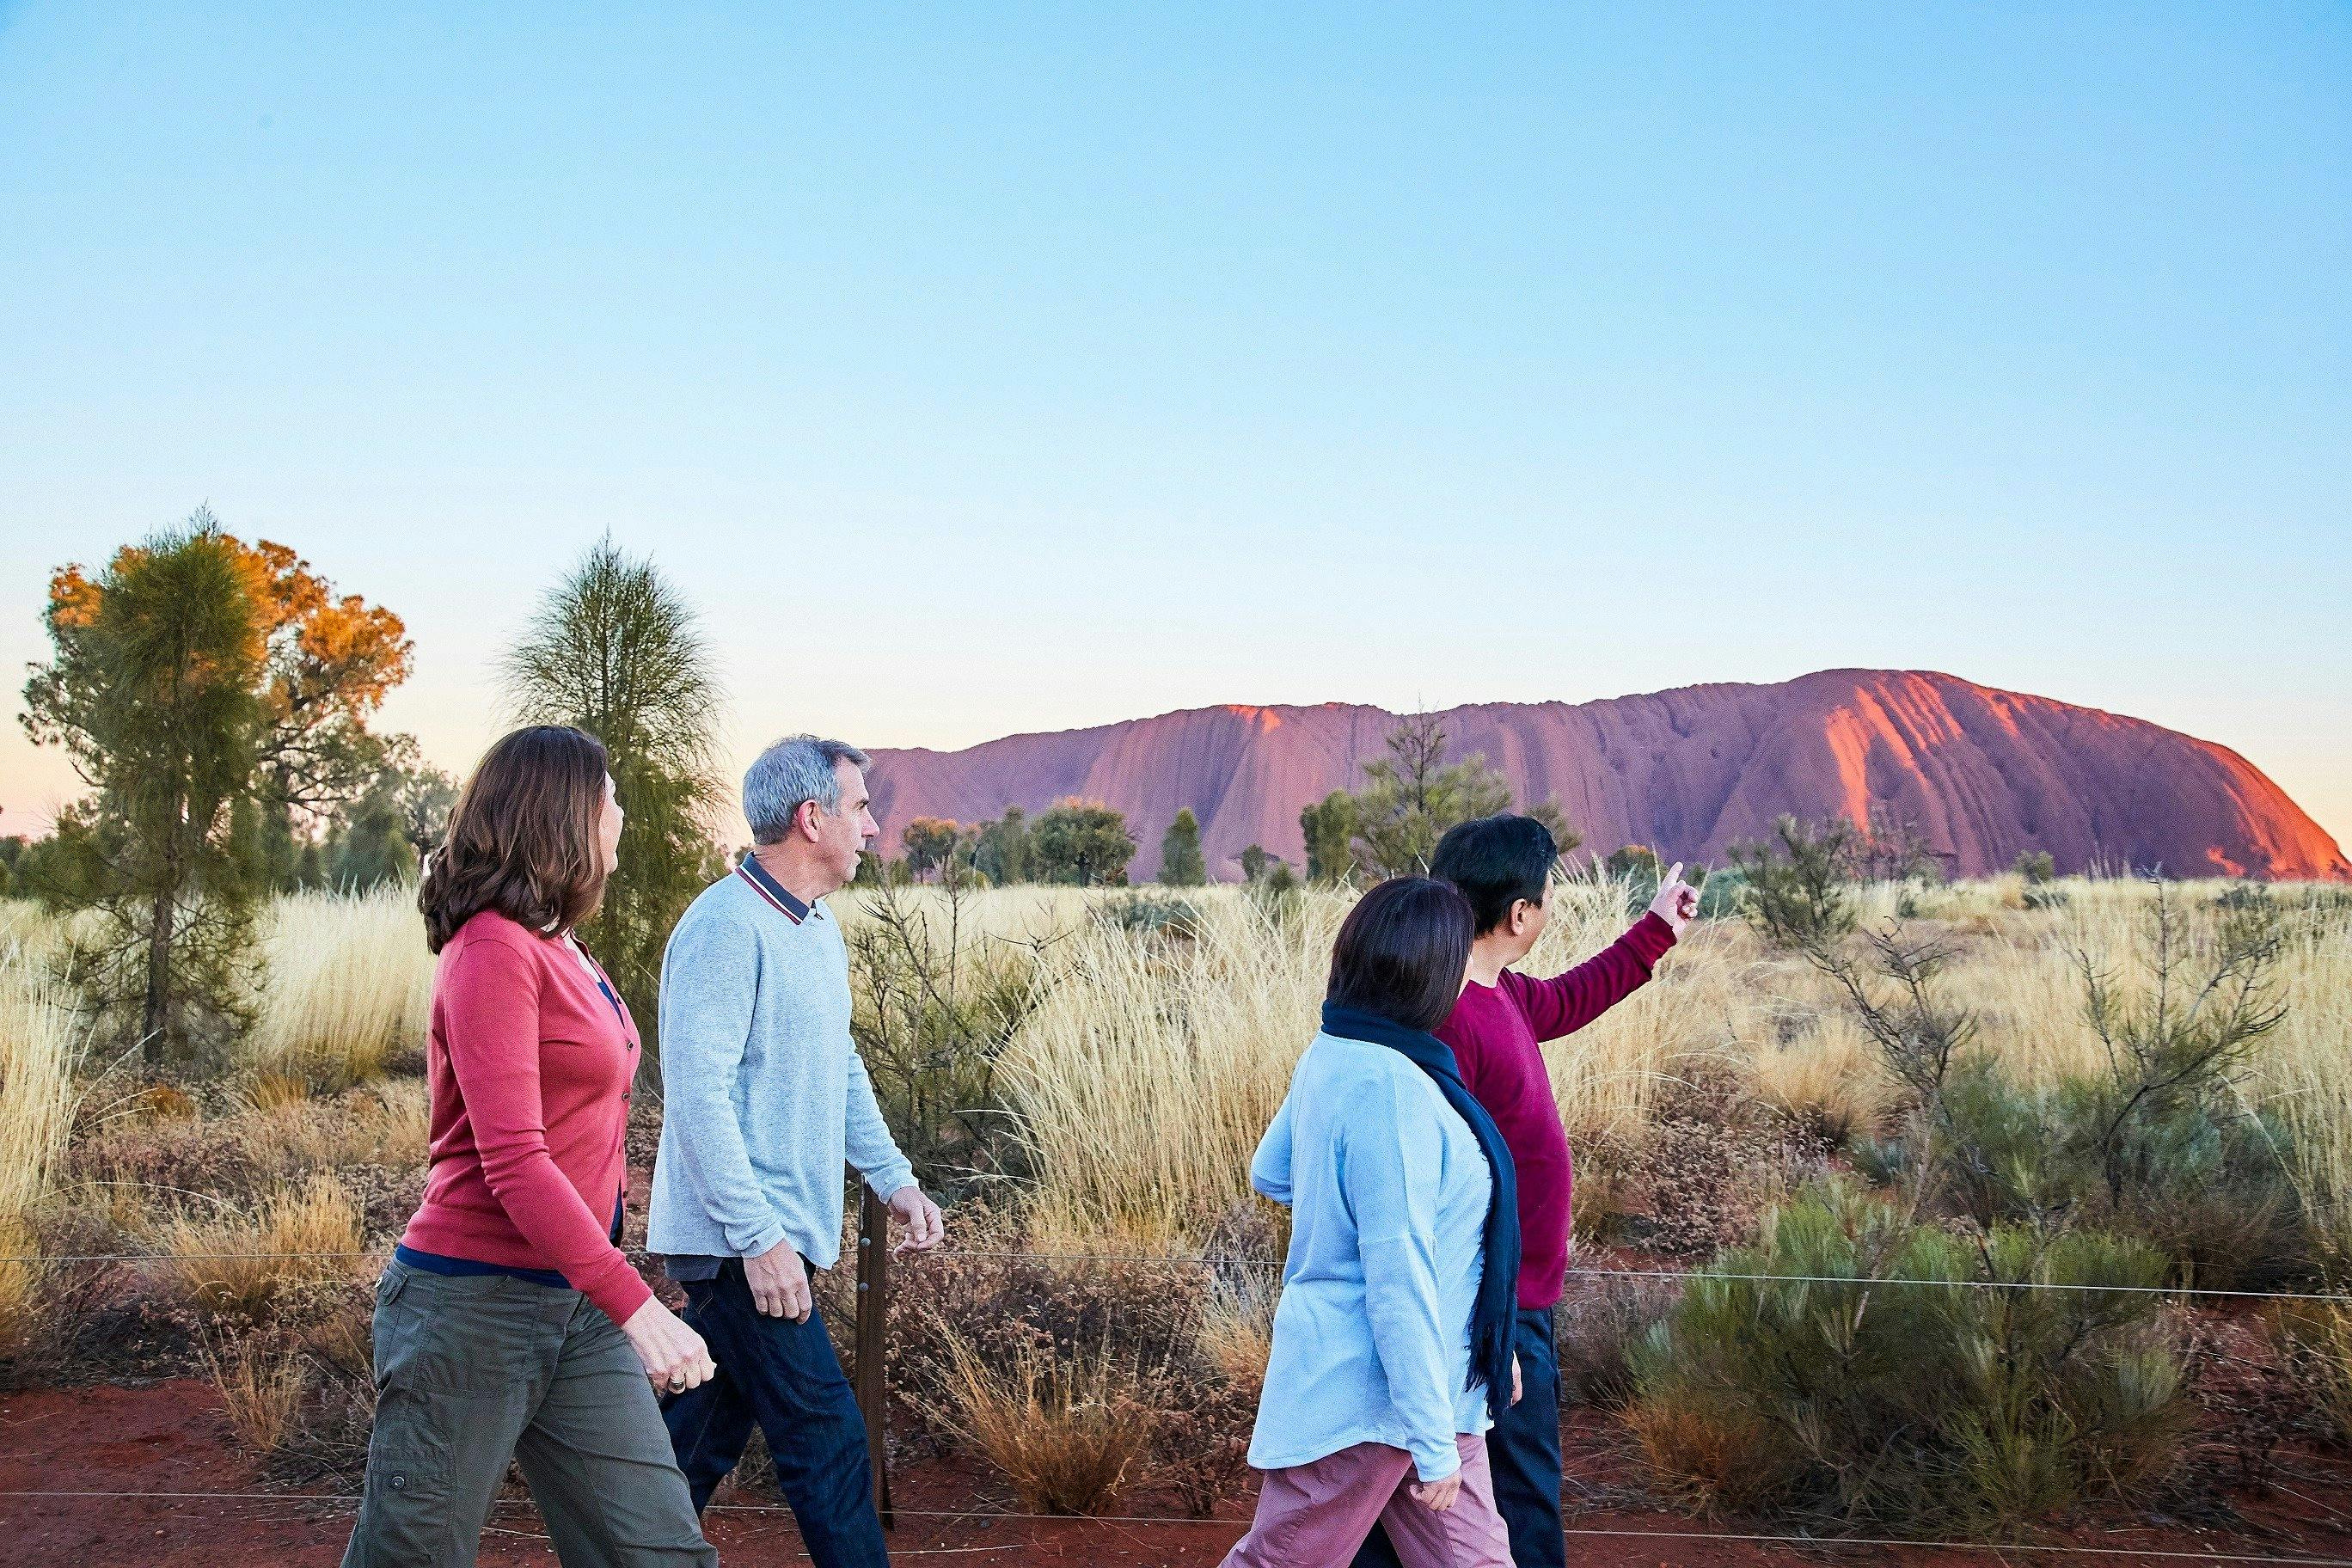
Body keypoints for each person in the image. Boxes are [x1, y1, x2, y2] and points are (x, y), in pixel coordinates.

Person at [344, 726, 717, 1568]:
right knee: (412, 1558)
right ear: (566, 815)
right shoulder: (491, 949)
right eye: (611, 796)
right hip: (469, 1310)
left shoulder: (563, 946)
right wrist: (639, 1307)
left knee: (657, 1554)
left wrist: (607, 1294)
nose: (623, 813)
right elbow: (514, 1161)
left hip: (573, 1307)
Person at [1353, 817, 1698, 1568]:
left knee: (1435, 1490)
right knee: (1517, 1490)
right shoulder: (1447, 1017)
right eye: (1546, 899)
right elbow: (1434, 1186)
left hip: (1511, 1298)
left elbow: (1571, 998)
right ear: (1519, 915)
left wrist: (1656, 929)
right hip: (1490, 1306)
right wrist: (1491, 1318)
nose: (1547, 910)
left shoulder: (1497, 992)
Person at [649, 734, 946, 1568]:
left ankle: (622, 1548)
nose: (875, 825)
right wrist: (760, 1240)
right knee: (827, 1439)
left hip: (768, 1243)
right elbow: (699, 1094)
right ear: (811, 818)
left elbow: (839, 1064)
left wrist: (895, 1181)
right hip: (740, 1245)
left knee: (695, 1447)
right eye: (859, 808)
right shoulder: (724, 928)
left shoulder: (815, 932)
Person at [1222, 876, 1523, 1568]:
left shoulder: (1337, 1052)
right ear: (1433, 976)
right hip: (1366, 1402)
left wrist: (1478, 1343)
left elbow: (1272, 1172)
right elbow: (1396, 1277)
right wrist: (1431, 1441)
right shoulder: (1394, 1091)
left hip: (1431, 1393)